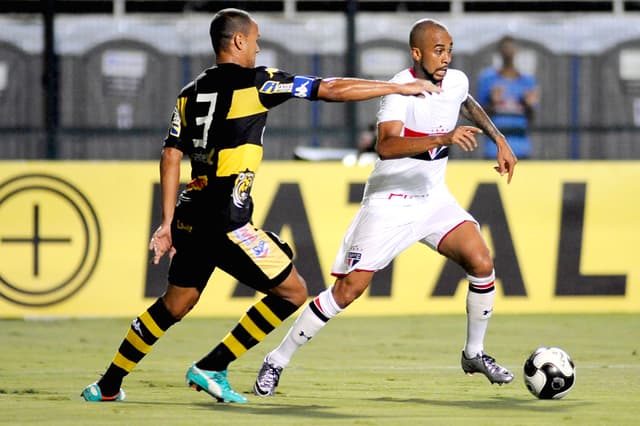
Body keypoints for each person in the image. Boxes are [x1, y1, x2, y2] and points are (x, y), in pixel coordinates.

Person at [80, 8, 439, 404]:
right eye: (255, 39)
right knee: (293, 292)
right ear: (237, 42)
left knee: (175, 303)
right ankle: (212, 365)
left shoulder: (189, 93)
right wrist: (396, 89)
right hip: (226, 221)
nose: (258, 45)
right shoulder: (258, 82)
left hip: (189, 214)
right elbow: (331, 87)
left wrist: (166, 223)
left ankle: (108, 385)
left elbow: (169, 156)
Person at [253, 18, 518, 398]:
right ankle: (277, 360)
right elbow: (387, 146)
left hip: (432, 198)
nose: (446, 57)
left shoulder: (456, 80)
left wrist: (499, 138)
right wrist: (443, 137)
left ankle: (474, 353)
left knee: (481, 261)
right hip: (391, 200)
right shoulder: (399, 90)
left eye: (449, 49)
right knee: (347, 291)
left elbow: (465, 102)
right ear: (417, 53)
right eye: (438, 50)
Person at [476, 35, 539, 159]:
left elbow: (532, 118)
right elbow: (478, 117)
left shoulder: (527, 81)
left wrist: (528, 105)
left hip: (520, 148)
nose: (508, 52)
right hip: (494, 148)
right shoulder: (488, 79)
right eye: (505, 48)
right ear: (499, 52)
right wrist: (492, 102)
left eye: (511, 48)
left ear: (517, 51)